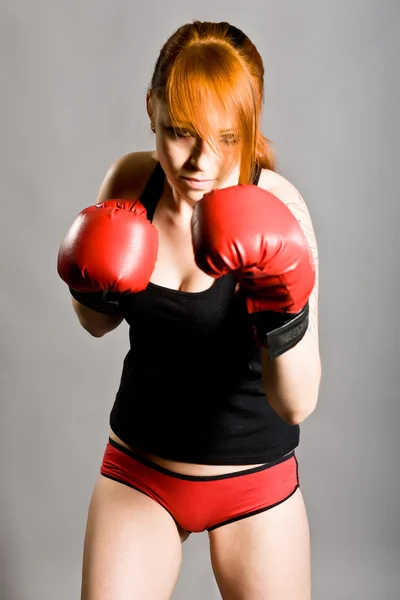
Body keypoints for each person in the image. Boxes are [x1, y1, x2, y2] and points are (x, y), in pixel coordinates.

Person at [57, 19, 321, 600]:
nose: (201, 160)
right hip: (140, 472)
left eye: (227, 138)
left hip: (254, 484)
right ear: (151, 109)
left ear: (248, 130)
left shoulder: (280, 208)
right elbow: (98, 324)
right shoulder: (130, 181)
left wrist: (283, 306)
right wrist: (89, 280)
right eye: (181, 132)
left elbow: (297, 402)